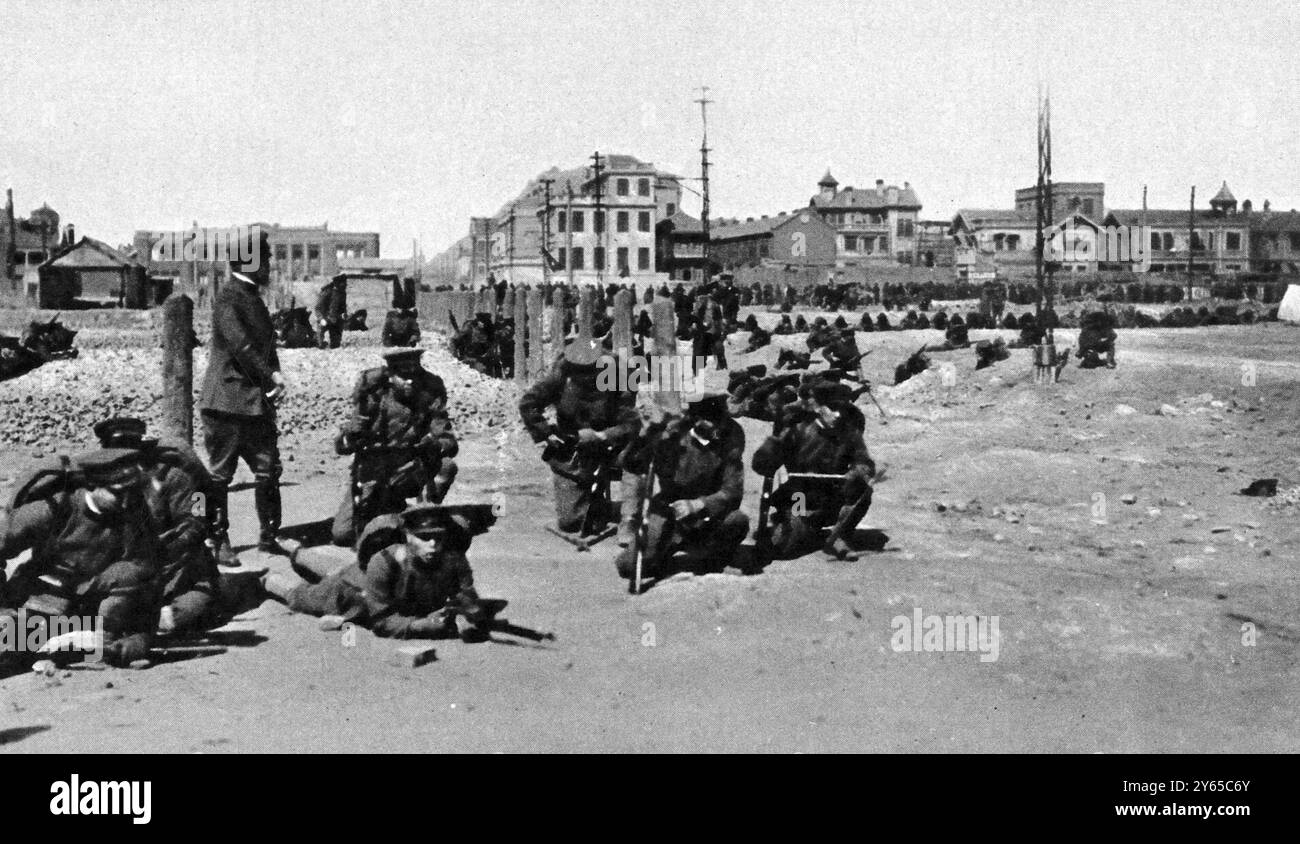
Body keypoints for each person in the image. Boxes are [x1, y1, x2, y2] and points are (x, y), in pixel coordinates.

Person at [0, 448, 161, 667]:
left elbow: (146, 572)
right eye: (117, 493)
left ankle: (98, 646)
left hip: (88, 611)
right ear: (92, 485)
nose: (125, 502)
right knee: (7, 651)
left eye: (131, 493)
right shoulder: (53, 509)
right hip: (40, 603)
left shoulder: (133, 515)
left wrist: (137, 638)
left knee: (130, 573)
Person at [266, 504, 485, 641]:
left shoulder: (454, 559)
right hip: (352, 592)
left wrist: (466, 614)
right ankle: (267, 578)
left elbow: (466, 595)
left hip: (363, 573)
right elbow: (381, 621)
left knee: (333, 567)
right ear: (408, 536)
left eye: (439, 537)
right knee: (302, 596)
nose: (433, 545)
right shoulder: (386, 561)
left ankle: (293, 549)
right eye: (424, 538)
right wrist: (418, 625)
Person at [199, 229, 287, 557]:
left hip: (255, 404)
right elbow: (241, 346)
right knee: (219, 476)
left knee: (269, 470)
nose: (269, 266)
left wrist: (273, 383)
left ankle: (269, 536)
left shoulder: (253, 298)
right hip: (226, 402)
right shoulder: (229, 297)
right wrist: (271, 375)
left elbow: (266, 348)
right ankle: (216, 539)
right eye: (264, 260)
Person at [615, 370, 748, 582]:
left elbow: (732, 491)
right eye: (705, 410)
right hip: (670, 511)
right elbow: (632, 465)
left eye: (717, 409)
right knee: (628, 566)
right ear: (693, 413)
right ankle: (667, 548)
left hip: (708, 514)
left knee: (737, 520)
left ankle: (711, 556)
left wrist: (698, 505)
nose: (714, 420)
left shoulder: (732, 434)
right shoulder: (671, 433)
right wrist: (643, 435)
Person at [92, 417, 220, 635]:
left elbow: (196, 523)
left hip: (175, 569)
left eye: (128, 449)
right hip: (121, 572)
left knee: (180, 614)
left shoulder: (176, 475)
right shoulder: (95, 481)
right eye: (114, 450)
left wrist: (163, 548)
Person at [332, 348, 458, 547]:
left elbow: (448, 440)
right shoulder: (375, 396)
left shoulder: (428, 394)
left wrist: (434, 444)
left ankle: (426, 515)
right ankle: (390, 508)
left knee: (446, 466)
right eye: (403, 376)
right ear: (391, 376)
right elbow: (342, 445)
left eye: (414, 375)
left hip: (409, 467)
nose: (410, 381)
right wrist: (352, 437)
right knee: (343, 534)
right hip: (374, 471)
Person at [519, 339, 637, 536]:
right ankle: (596, 504)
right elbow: (528, 404)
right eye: (578, 371)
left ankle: (628, 516)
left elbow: (630, 424)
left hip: (610, 446)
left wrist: (601, 436)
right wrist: (547, 433)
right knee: (570, 523)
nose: (582, 376)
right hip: (573, 448)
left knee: (636, 453)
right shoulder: (561, 374)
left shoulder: (618, 375)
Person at [752, 382, 875, 561]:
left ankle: (840, 536)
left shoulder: (849, 433)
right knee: (784, 548)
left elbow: (865, 462)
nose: (837, 414)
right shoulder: (798, 431)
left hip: (834, 494)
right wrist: (772, 446)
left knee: (862, 489)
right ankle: (792, 523)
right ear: (819, 409)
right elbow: (762, 464)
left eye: (841, 409)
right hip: (800, 494)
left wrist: (858, 472)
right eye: (832, 408)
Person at [314, 275, 348, 349]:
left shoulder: (343, 293)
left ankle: (334, 341)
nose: (345, 285)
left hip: (335, 320)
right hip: (325, 318)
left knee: (335, 345)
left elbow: (343, 307)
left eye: (345, 283)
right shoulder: (326, 292)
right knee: (320, 345)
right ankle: (318, 341)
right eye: (343, 284)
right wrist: (321, 319)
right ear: (337, 284)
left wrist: (343, 314)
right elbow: (317, 308)